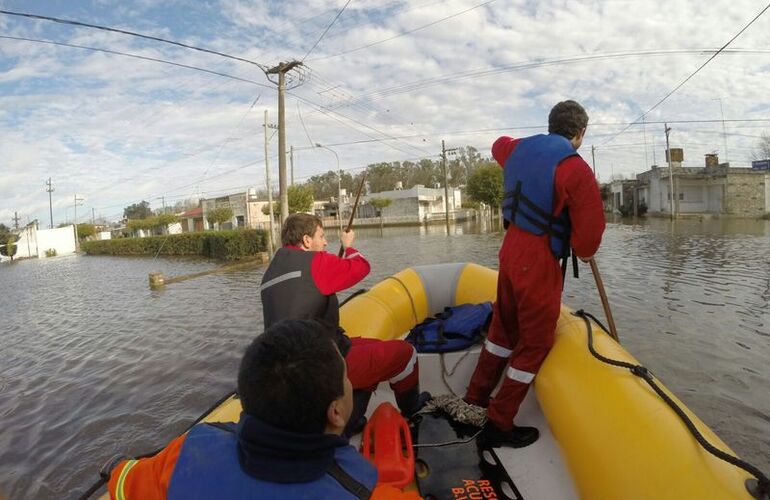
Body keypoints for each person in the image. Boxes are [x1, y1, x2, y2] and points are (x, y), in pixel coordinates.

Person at [464, 100, 605, 448]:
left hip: (509, 250)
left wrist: (522, 144)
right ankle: (499, 421)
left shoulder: (514, 150)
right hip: (538, 259)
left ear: (551, 125)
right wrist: (584, 251)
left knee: (501, 330)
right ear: (581, 133)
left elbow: (499, 144)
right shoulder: (576, 169)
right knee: (536, 341)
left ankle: (475, 398)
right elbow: (589, 235)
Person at [107, 319, 378, 499]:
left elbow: (122, 483)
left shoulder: (187, 452)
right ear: (336, 413)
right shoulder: (365, 490)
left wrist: (116, 468)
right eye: (346, 375)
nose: (350, 381)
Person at [260, 214, 429, 434]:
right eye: (321, 236)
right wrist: (348, 246)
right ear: (307, 241)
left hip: (288, 371)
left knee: (367, 347)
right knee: (406, 354)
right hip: (319, 367)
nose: (325, 242)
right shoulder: (316, 262)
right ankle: (412, 411)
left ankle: (352, 418)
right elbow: (361, 267)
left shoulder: (270, 274)